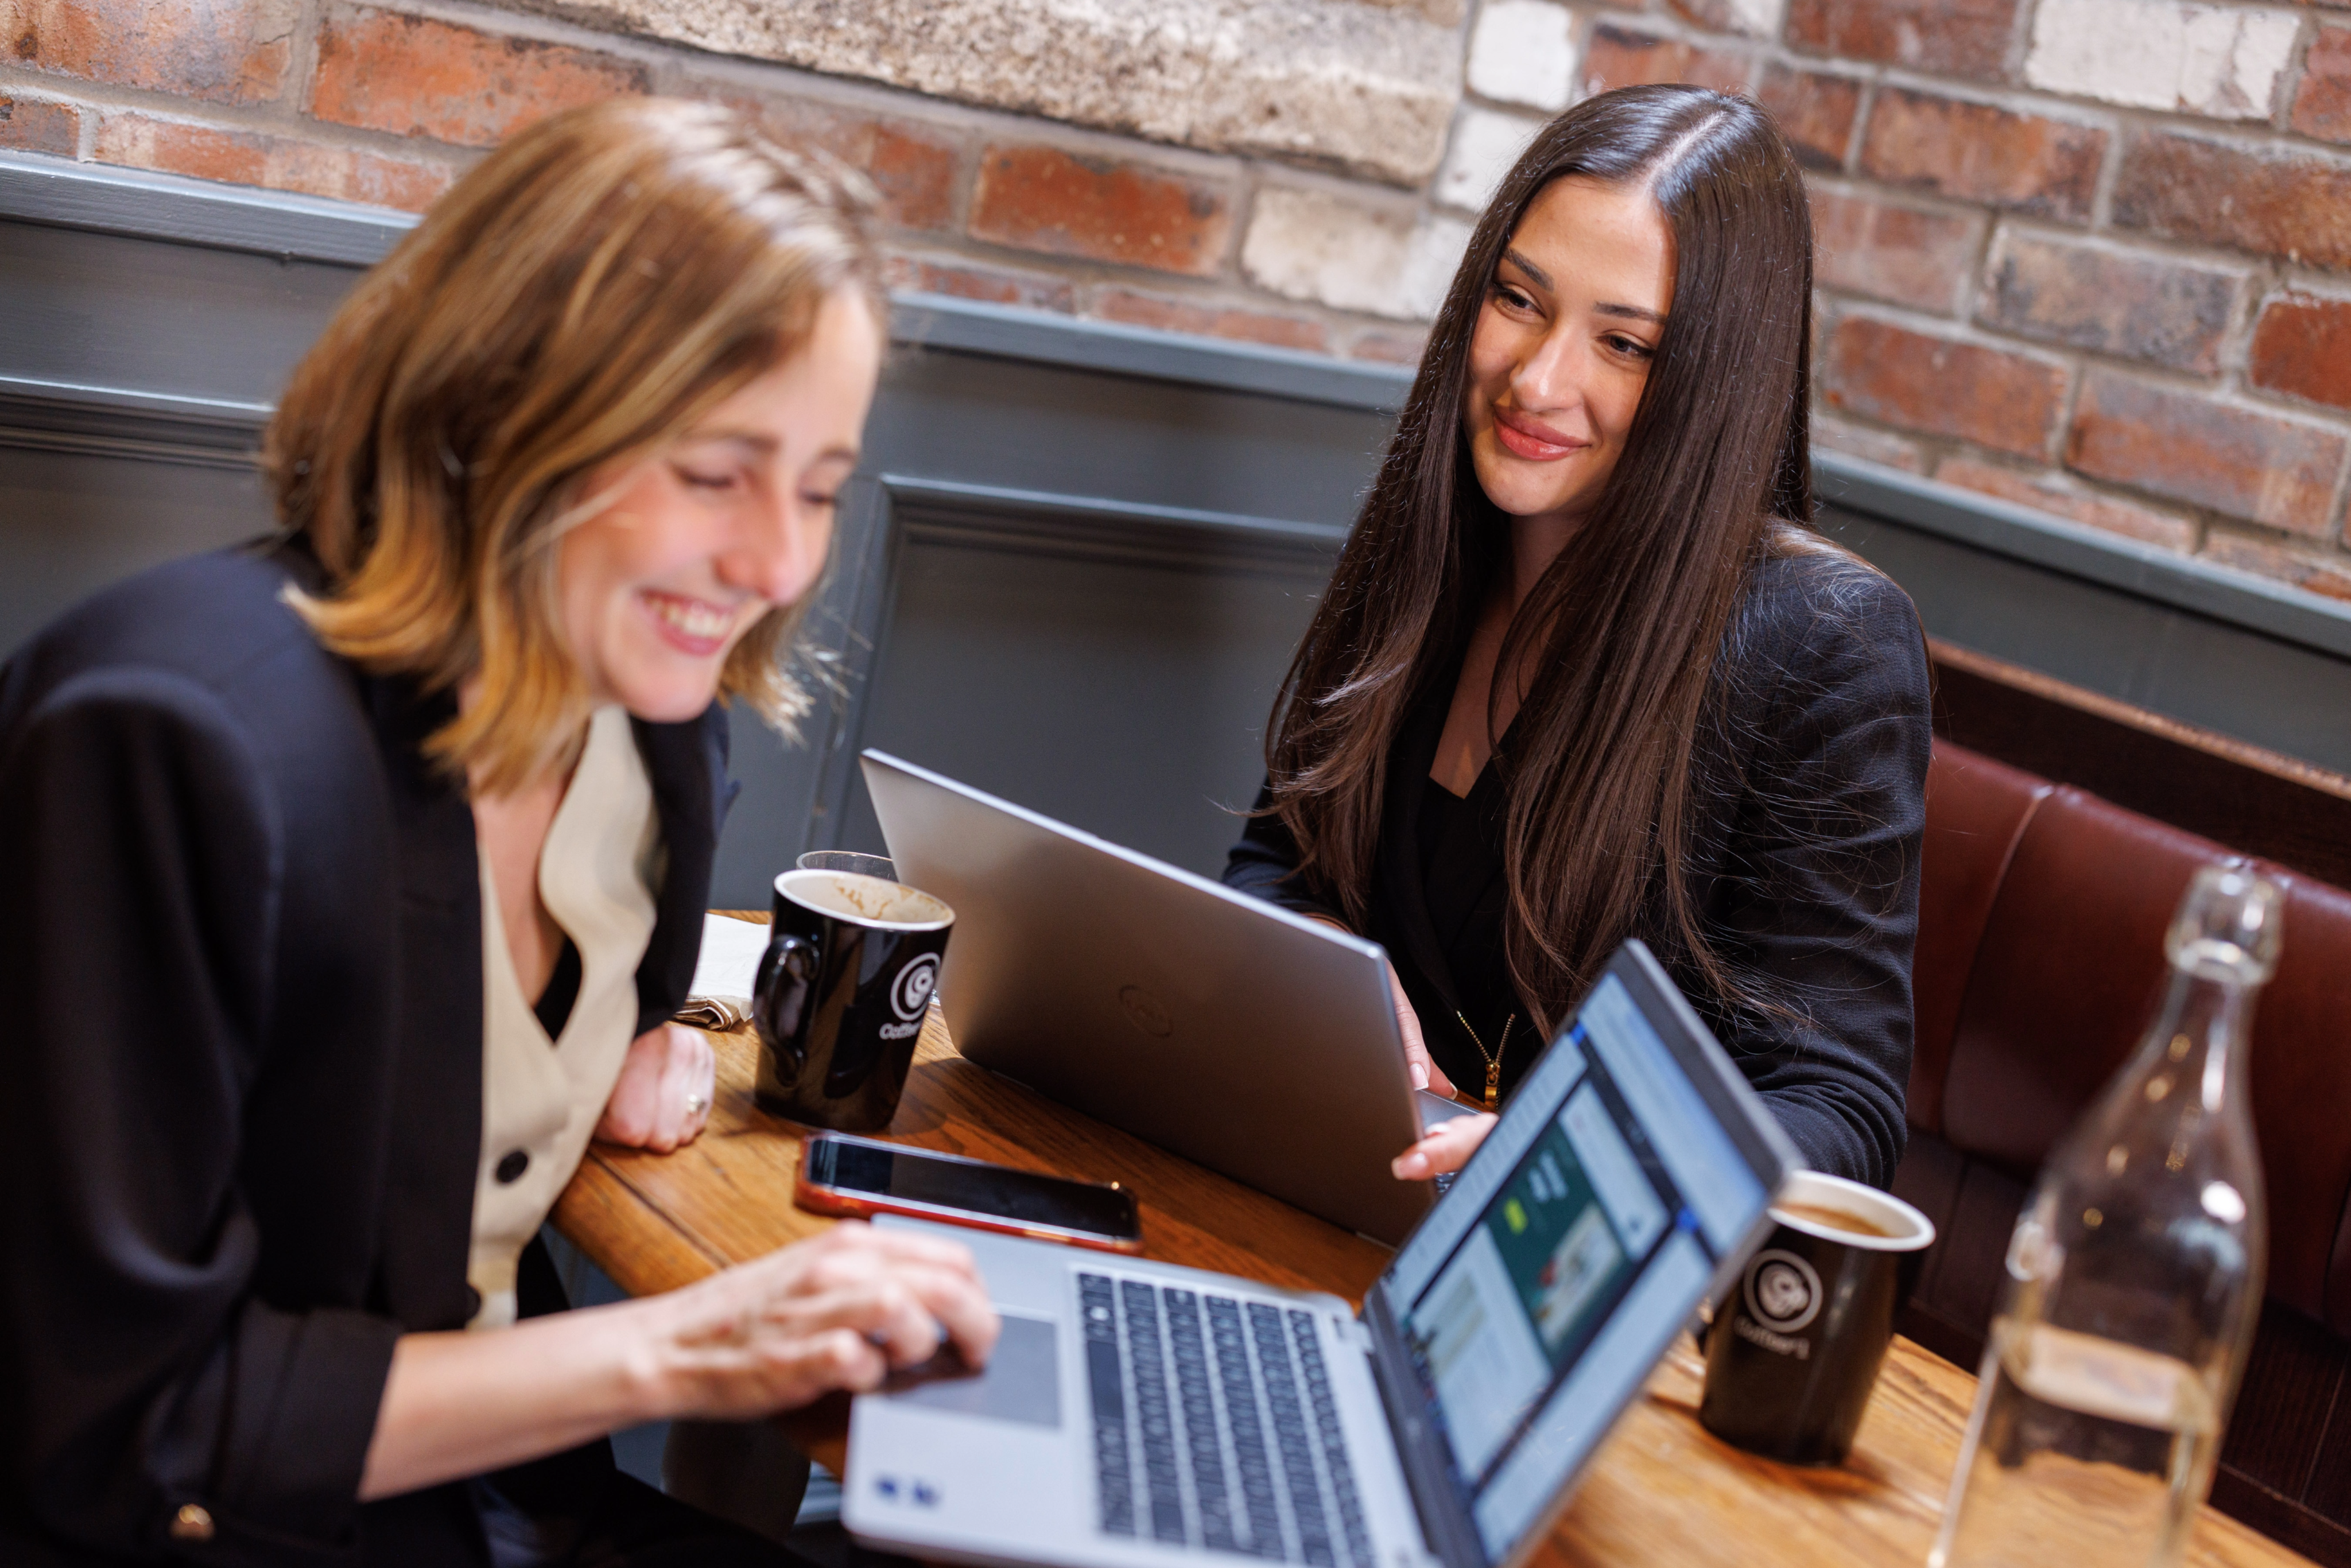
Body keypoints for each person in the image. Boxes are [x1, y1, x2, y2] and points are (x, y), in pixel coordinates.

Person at [0, 100, 996, 1566]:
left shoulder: (650, 717)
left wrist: (628, 1037)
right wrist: (685, 1353)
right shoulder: (166, 736)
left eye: (819, 489)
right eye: (715, 473)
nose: (779, 561)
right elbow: (120, 1432)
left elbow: (518, 1028)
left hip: (495, 1500)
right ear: (496, 412)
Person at [1223, 85, 1930, 1190]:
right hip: (1336, 1198)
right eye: (1519, 298)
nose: (1541, 381)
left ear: (1714, 383)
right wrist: (1318, 959)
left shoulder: (1826, 643)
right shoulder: (1437, 538)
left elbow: (1842, 1112)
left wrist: (1579, 1155)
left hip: (1560, 1283)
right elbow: (1276, 859)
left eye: (1626, 343)